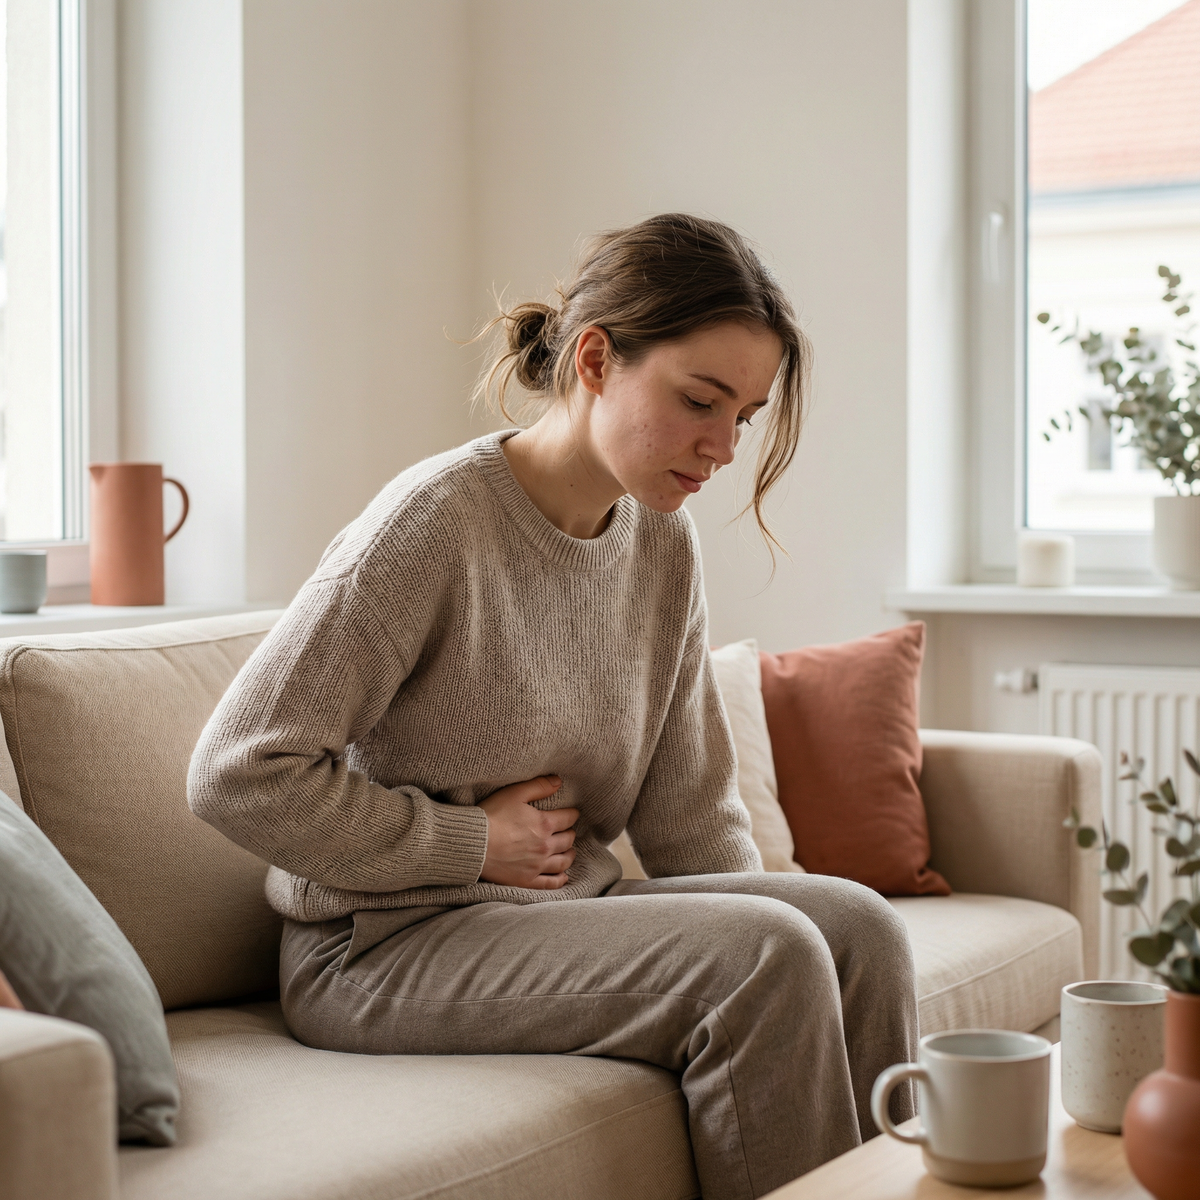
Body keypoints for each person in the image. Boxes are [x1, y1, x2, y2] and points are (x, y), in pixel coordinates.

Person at [188, 213, 917, 1200]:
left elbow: (691, 815)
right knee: (768, 957)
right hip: (380, 949)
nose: (725, 446)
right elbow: (234, 773)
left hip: (562, 916)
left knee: (857, 930)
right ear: (595, 359)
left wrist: (744, 922)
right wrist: (465, 842)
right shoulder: (432, 527)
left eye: (743, 415)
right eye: (700, 400)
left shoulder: (662, 543)